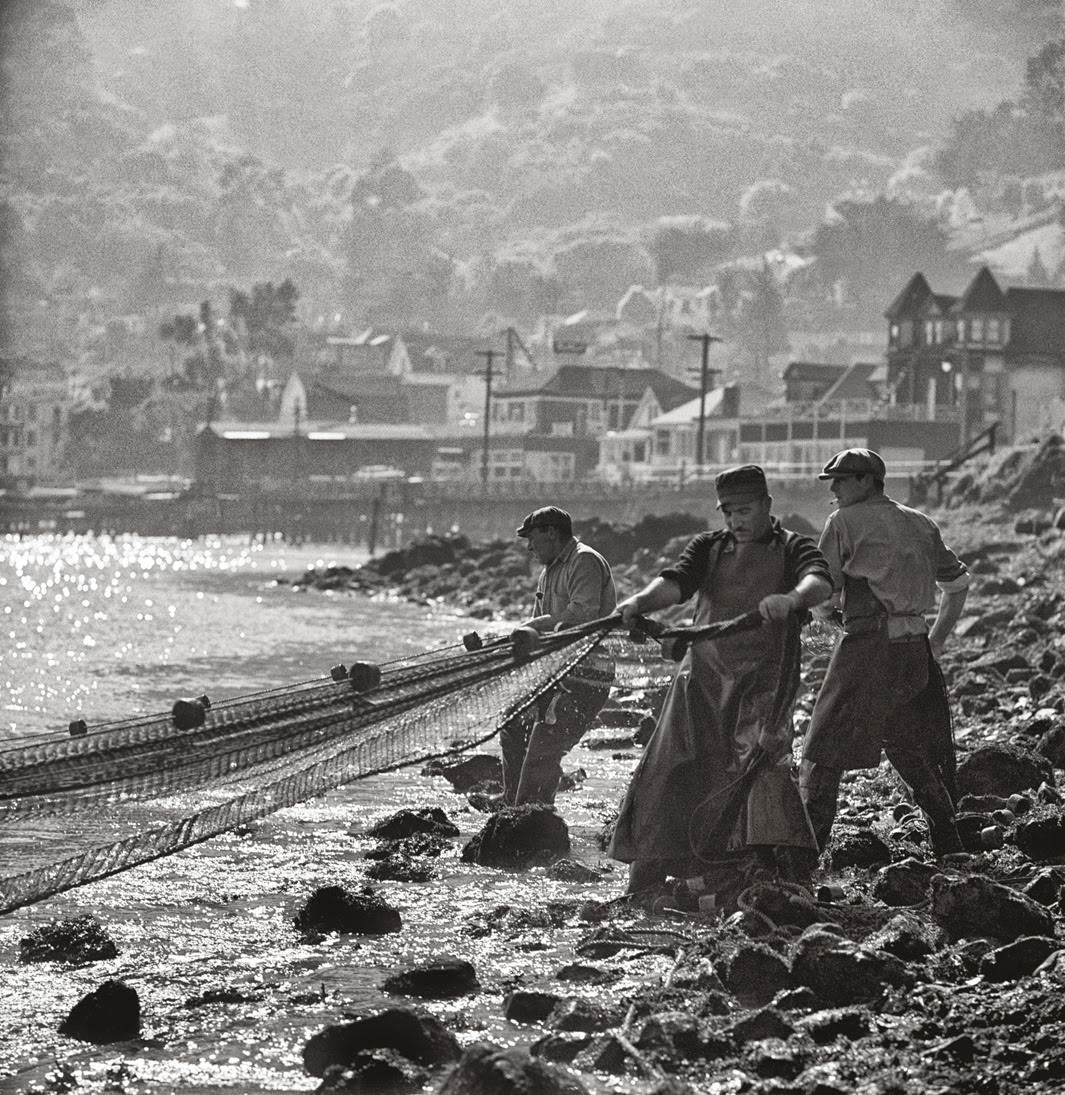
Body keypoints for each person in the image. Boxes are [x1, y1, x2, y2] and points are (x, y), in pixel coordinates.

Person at [608, 465, 833, 896]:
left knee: (758, 774)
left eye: (745, 511)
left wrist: (791, 599)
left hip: (764, 683)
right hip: (700, 679)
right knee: (668, 772)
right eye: (728, 513)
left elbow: (819, 582)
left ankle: (767, 875)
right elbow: (676, 583)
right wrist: (638, 602)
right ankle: (650, 877)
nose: (735, 522)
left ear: (767, 505)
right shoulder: (709, 548)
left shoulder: (793, 549)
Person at [799, 448, 971, 859]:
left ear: (865, 482)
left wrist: (831, 616)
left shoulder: (842, 522)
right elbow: (959, 585)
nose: (834, 489)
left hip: (867, 650)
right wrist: (939, 638)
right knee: (907, 745)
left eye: (840, 481)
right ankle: (949, 843)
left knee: (823, 749)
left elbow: (823, 591)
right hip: (914, 651)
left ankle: (802, 860)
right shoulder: (922, 523)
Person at [496, 506, 617, 807]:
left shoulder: (584, 560)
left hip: (586, 674)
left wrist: (530, 627)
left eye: (532, 538)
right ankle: (515, 808)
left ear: (552, 532)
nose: (528, 546)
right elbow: (541, 629)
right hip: (556, 671)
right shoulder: (548, 572)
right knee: (513, 722)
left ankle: (533, 819)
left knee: (544, 748)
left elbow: (582, 614)